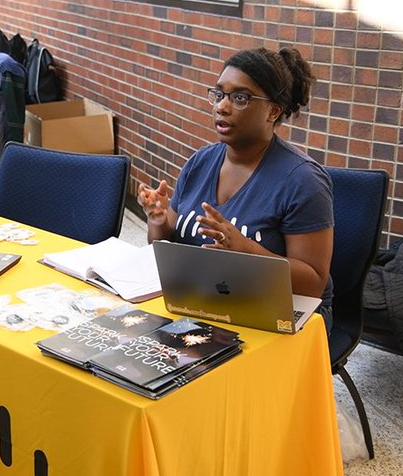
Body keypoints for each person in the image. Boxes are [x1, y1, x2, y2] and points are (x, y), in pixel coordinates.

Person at [138, 47, 335, 322]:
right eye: (219, 94)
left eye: (240, 98)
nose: (222, 106)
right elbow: (163, 246)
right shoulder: (199, 163)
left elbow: (313, 283)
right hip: (204, 301)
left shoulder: (303, 181)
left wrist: (245, 249)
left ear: (273, 111)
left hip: (281, 312)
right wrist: (157, 220)